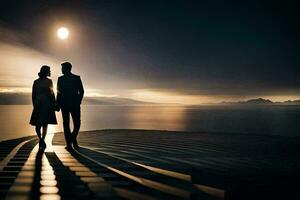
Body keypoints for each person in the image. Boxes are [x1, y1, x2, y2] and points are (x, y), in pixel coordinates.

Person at [56, 62, 84, 150]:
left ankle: (71, 140)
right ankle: (70, 143)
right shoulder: (60, 79)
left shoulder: (76, 78)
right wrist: (57, 104)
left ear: (68, 68)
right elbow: (58, 93)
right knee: (67, 124)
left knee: (76, 123)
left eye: (63, 68)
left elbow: (81, 91)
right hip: (65, 105)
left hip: (73, 104)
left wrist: (78, 101)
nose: (61, 70)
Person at [30, 65, 57, 150]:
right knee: (44, 124)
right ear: (46, 71)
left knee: (39, 124)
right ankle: (42, 140)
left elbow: (33, 95)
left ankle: (41, 140)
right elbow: (52, 94)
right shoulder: (48, 81)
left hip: (39, 104)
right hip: (46, 104)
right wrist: (54, 104)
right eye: (49, 70)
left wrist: (34, 104)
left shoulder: (36, 81)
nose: (50, 72)